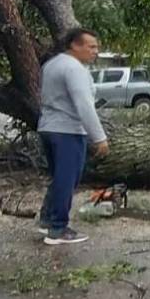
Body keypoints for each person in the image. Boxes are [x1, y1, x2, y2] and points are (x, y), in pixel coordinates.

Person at [38, 28, 109, 245]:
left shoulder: (52, 64)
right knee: (68, 180)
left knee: (59, 178)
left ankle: (47, 221)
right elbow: (84, 105)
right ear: (75, 45)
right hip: (67, 130)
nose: (95, 51)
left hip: (48, 127)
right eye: (91, 46)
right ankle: (58, 229)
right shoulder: (74, 69)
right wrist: (99, 137)